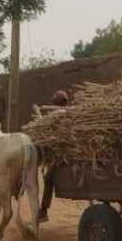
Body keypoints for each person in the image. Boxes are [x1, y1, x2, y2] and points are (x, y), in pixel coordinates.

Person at [38, 90, 70, 223]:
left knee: (48, 177)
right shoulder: (70, 113)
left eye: (54, 102)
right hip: (68, 152)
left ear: (57, 103)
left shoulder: (56, 114)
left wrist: (38, 114)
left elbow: (43, 128)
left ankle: (44, 210)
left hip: (62, 155)